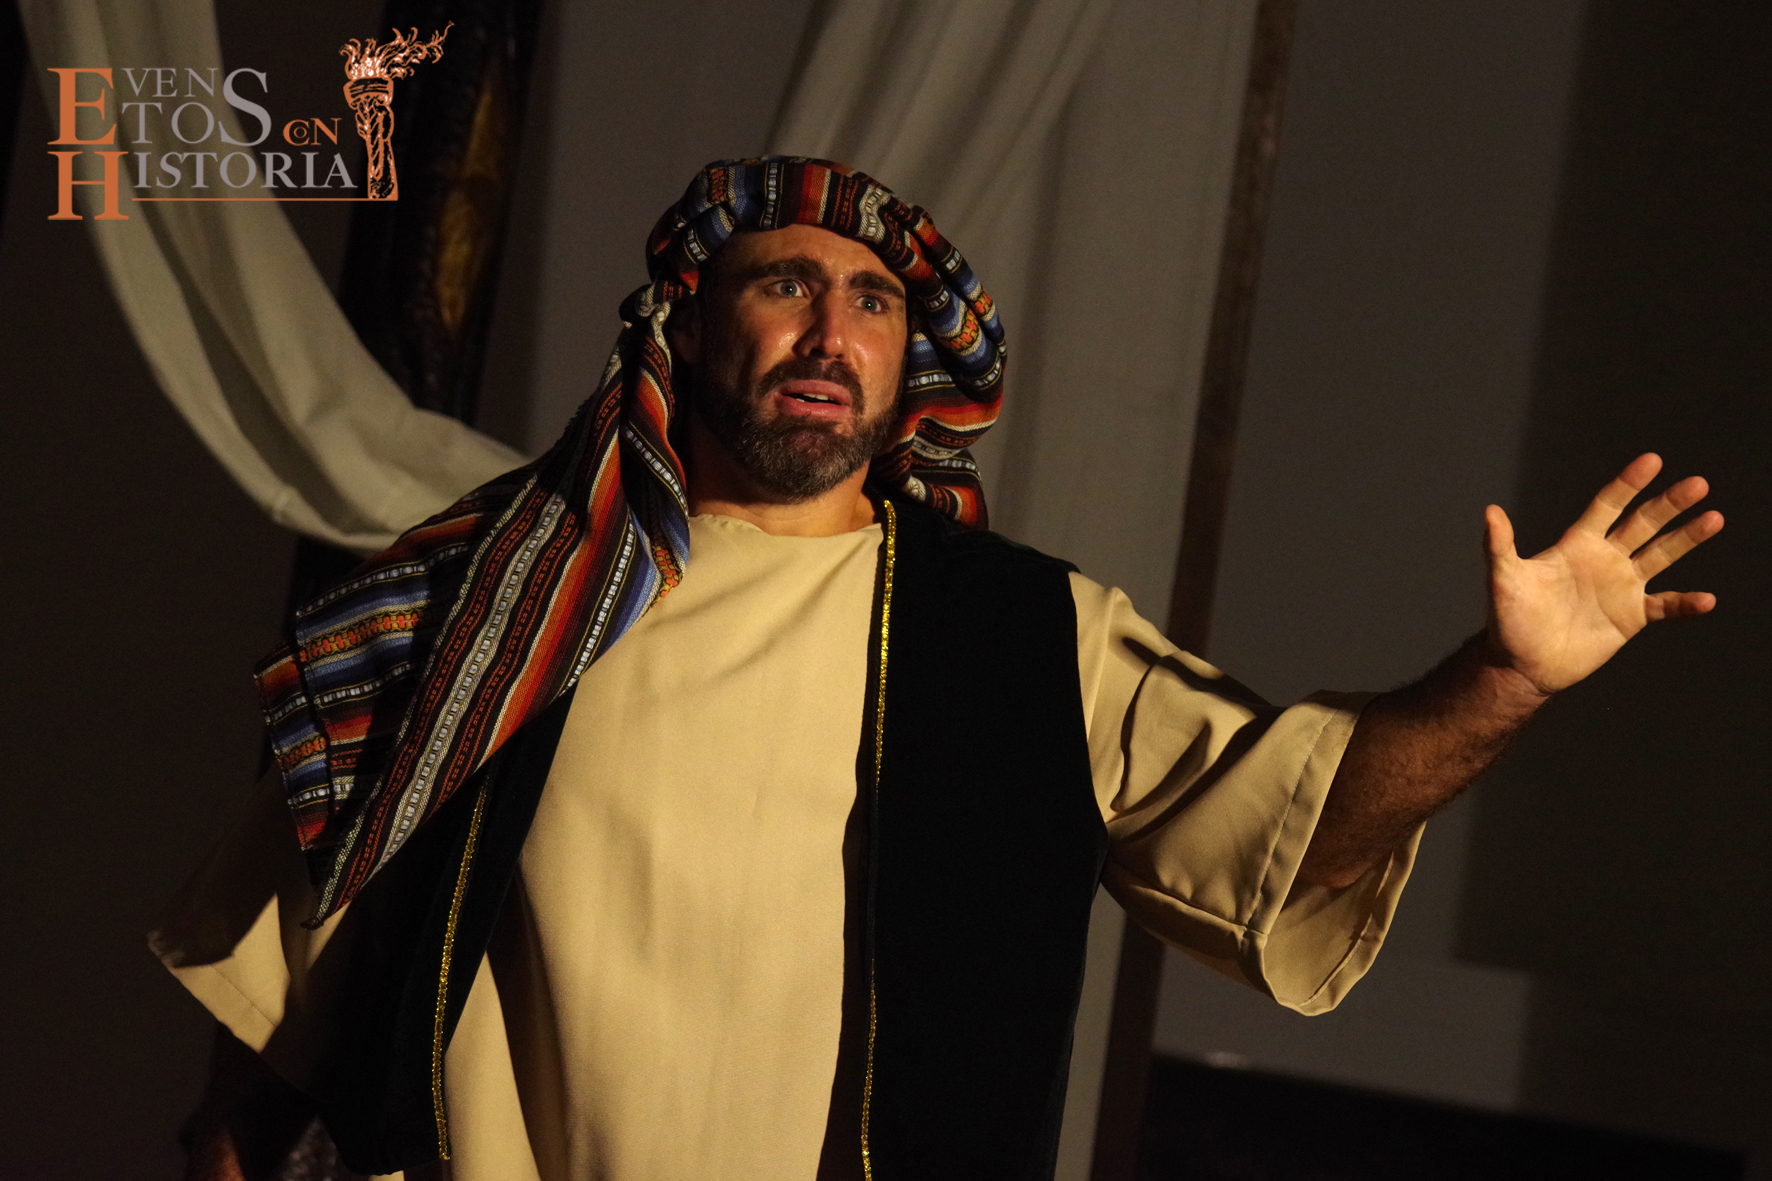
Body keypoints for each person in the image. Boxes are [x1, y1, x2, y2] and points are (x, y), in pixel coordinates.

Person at [153, 157, 1723, 1181]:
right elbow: (276, 1038)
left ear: (912, 363)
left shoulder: (1025, 643)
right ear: (687, 322)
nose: (828, 329)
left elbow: (1290, 829)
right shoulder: (494, 596)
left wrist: (1503, 680)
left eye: (874, 299)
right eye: (784, 282)